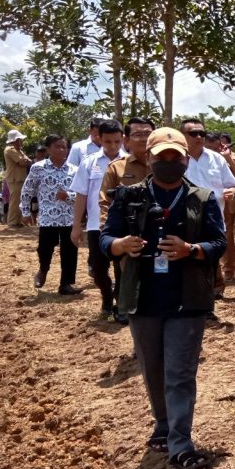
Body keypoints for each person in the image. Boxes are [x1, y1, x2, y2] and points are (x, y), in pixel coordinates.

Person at [100, 127, 226, 469]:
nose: (169, 162)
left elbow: (219, 242)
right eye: (162, 157)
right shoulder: (128, 197)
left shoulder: (202, 198)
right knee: (153, 368)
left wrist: (192, 249)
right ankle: (163, 424)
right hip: (143, 298)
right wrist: (120, 245)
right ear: (149, 158)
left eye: (176, 156)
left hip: (188, 299)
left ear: (185, 160)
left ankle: (180, 443)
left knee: (180, 372)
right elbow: (106, 238)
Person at [101, 117, 155, 322]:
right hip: (128, 232)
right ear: (126, 140)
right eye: (138, 134)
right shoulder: (116, 168)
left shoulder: (166, 163)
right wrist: (111, 238)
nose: (143, 139)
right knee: (126, 271)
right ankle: (125, 307)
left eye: (148, 134)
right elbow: (105, 202)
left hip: (159, 229)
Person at [71, 119, 124, 318]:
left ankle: (121, 301)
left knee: (123, 267)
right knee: (98, 267)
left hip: (123, 225)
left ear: (122, 139)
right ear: (99, 139)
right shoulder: (89, 162)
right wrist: (76, 225)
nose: (113, 146)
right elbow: (81, 195)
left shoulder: (129, 163)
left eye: (117, 141)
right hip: (96, 224)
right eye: (108, 141)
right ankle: (106, 296)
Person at [181, 118, 235, 298]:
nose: (199, 137)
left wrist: (231, 191)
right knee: (189, 256)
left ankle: (214, 291)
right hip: (185, 216)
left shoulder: (216, 159)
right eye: (193, 133)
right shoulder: (177, 158)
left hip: (214, 216)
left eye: (202, 133)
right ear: (182, 135)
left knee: (212, 253)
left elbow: (232, 184)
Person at [20, 135, 81, 294]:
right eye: (57, 146)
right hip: (48, 217)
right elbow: (27, 190)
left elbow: (82, 194)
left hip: (69, 217)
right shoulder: (38, 168)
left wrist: (68, 196)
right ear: (48, 149)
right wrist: (25, 211)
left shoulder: (74, 169)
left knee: (70, 250)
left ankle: (66, 284)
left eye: (64, 147)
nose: (61, 150)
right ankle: (43, 269)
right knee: (45, 248)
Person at [206, 131, 235, 283]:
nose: (220, 148)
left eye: (223, 144)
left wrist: (228, 158)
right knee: (226, 238)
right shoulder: (209, 160)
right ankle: (229, 271)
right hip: (222, 205)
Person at [3, 129, 31, 227]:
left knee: (20, 200)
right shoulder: (10, 150)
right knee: (15, 201)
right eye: (20, 139)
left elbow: (28, 161)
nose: (21, 141)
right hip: (14, 179)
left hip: (20, 178)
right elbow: (23, 162)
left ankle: (18, 221)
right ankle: (12, 222)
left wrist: (26, 160)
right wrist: (25, 160)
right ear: (16, 140)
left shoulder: (19, 150)